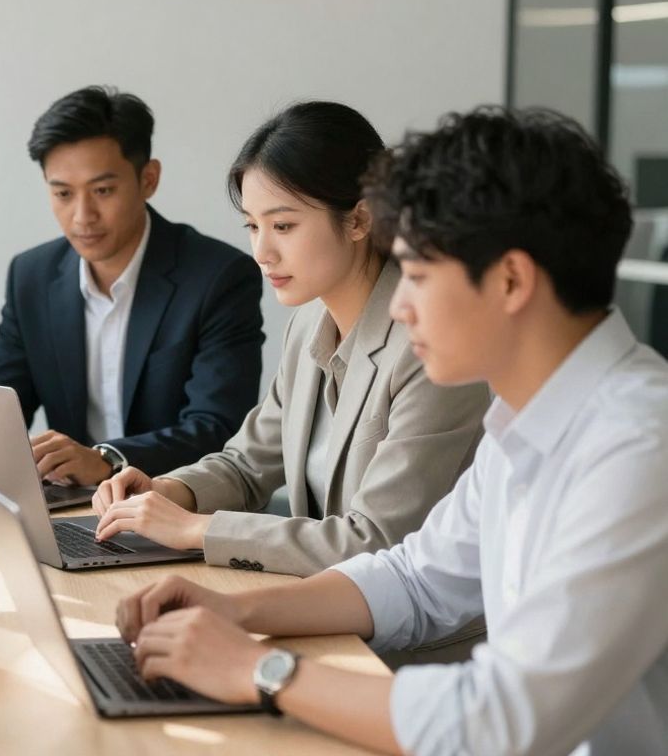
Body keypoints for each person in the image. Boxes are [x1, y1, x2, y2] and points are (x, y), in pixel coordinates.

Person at [115, 107, 668, 755]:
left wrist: (260, 670)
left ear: (511, 280)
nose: (400, 304)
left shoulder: (638, 445)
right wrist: (235, 611)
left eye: (420, 277)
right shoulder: (523, 425)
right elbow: (414, 579)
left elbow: (503, 720)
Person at [91, 102, 489, 586]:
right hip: (324, 603)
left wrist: (197, 529)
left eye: (283, 226)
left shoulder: (429, 348)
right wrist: (169, 492)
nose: (262, 252)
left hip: (416, 625)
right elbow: (247, 464)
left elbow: (375, 539)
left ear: (359, 219)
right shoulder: (308, 325)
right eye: (252, 226)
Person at [0, 86, 264, 487]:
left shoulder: (218, 276)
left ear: (148, 179)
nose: (82, 216)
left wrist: (108, 459)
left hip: (178, 500)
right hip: (71, 503)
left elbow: (218, 427)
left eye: (103, 190)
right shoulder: (31, 275)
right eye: (62, 193)